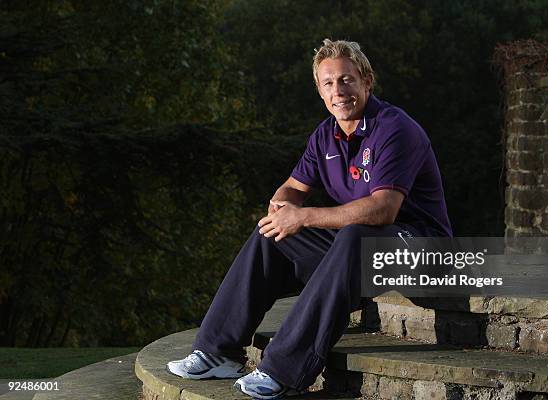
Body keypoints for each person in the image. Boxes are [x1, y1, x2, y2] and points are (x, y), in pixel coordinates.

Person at [167, 39, 452, 399]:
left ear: (366, 80)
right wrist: (281, 208)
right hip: (362, 247)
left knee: (354, 237)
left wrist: (303, 217)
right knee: (270, 235)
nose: (339, 91)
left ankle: (283, 371)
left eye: (347, 80)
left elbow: (383, 210)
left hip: (424, 251)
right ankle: (218, 351)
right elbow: (291, 188)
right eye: (328, 83)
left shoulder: (394, 128)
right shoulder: (325, 136)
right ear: (320, 91)